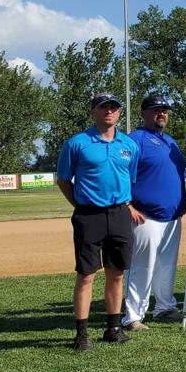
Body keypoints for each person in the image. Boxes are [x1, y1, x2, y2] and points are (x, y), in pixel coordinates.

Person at [57, 92, 140, 350]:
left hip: (119, 214)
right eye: (103, 107)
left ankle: (113, 328)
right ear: (93, 111)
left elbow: (130, 178)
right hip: (88, 215)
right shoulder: (77, 143)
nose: (109, 111)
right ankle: (82, 334)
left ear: (119, 113)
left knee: (116, 274)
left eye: (113, 107)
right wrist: (81, 205)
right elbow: (63, 180)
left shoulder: (129, 145)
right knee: (86, 274)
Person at [122, 94, 186, 330]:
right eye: (156, 109)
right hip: (144, 215)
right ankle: (132, 316)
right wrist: (128, 206)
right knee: (142, 265)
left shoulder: (170, 141)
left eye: (165, 110)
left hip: (172, 216)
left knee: (166, 265)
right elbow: (121, 175)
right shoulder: (135, 140)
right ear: (144, 113)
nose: (162, 114)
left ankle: (164, 306)